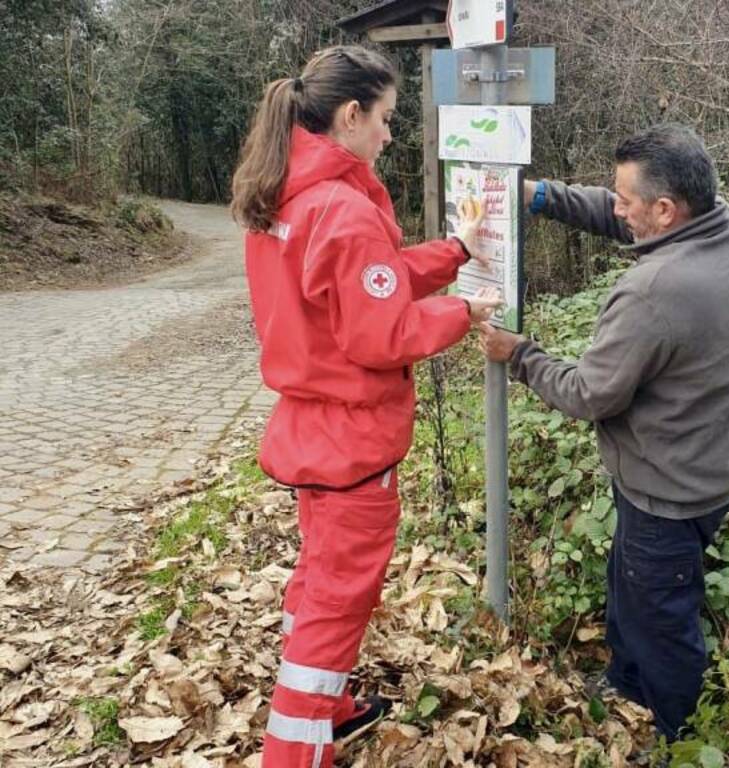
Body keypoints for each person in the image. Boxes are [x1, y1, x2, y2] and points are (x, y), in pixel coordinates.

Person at [230, 45, 501, 768]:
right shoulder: (342, 209)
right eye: (384, 119)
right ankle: (295, 750)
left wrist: (451, 251)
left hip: (309, 429)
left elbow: (364, 284)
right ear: (350, 116)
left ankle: (333, 706)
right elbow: (383, 332)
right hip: (353, 441)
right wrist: (462, 314)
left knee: (318, 577)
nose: (389, 135)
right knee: (337, 602)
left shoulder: (285, 190)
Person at [478, 123, 729, 742]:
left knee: (661, 614)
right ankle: (626, 682)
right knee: (630, 584)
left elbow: (590, 393)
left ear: (664, 209)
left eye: (625, 199)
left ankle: (675, 730)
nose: (616, 208)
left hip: (670, 487)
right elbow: (623, 219)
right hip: (709, 460)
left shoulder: (655, 292)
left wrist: (520, 355)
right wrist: (542, 196)